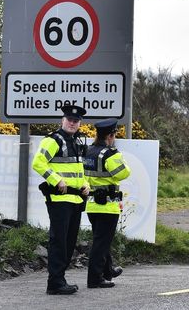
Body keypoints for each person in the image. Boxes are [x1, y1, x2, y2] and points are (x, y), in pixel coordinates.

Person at [32, 104, 90, 295]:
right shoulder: (53, 140)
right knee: (59, 240)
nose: (73, 123)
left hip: (74, 199)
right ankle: (55, 282)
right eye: (70, 120)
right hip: (59, 199)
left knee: (69, 241)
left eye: (76, 121)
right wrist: (56, 180)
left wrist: (86, 184)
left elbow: (77, 170)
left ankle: (60, 279)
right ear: (62, 120)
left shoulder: (75, 141)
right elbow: (38, 163)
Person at [84, 118, 130, 289]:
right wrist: (119, 157)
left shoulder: (88, 151)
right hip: (108, 206)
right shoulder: (110, 154)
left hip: (92, 204)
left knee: (102, 240)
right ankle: (95, 278)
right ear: (111, 135)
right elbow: (124, 173)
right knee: (101, 242)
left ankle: (108, 270)